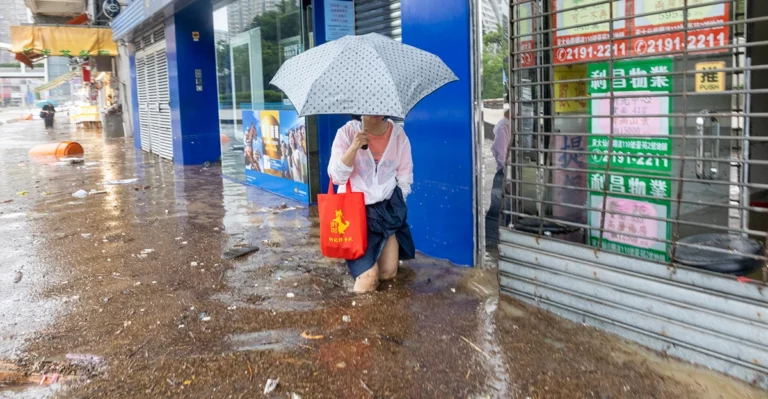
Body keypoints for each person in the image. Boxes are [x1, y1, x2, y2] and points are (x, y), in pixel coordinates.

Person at [329, 115, 415, 293]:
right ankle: (355, 317)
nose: (374, 111)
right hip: (355, 212)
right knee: (368, 279)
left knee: (388, 273)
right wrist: (354, 147)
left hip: (386, 211)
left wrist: (398, 206)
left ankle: (381, 317)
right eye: (368, 107)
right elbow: (336, 177)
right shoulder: (347, 133)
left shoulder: (398, 135)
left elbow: (405, 175)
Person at [485, 108, 511, 251]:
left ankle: (497, 240)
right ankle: (490, 241)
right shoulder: (504, 127)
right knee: (497, 209)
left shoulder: (506, 126)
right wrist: (507, 177)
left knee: (504, 208)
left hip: (505, 174)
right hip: (503, 174)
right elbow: (502, 154)